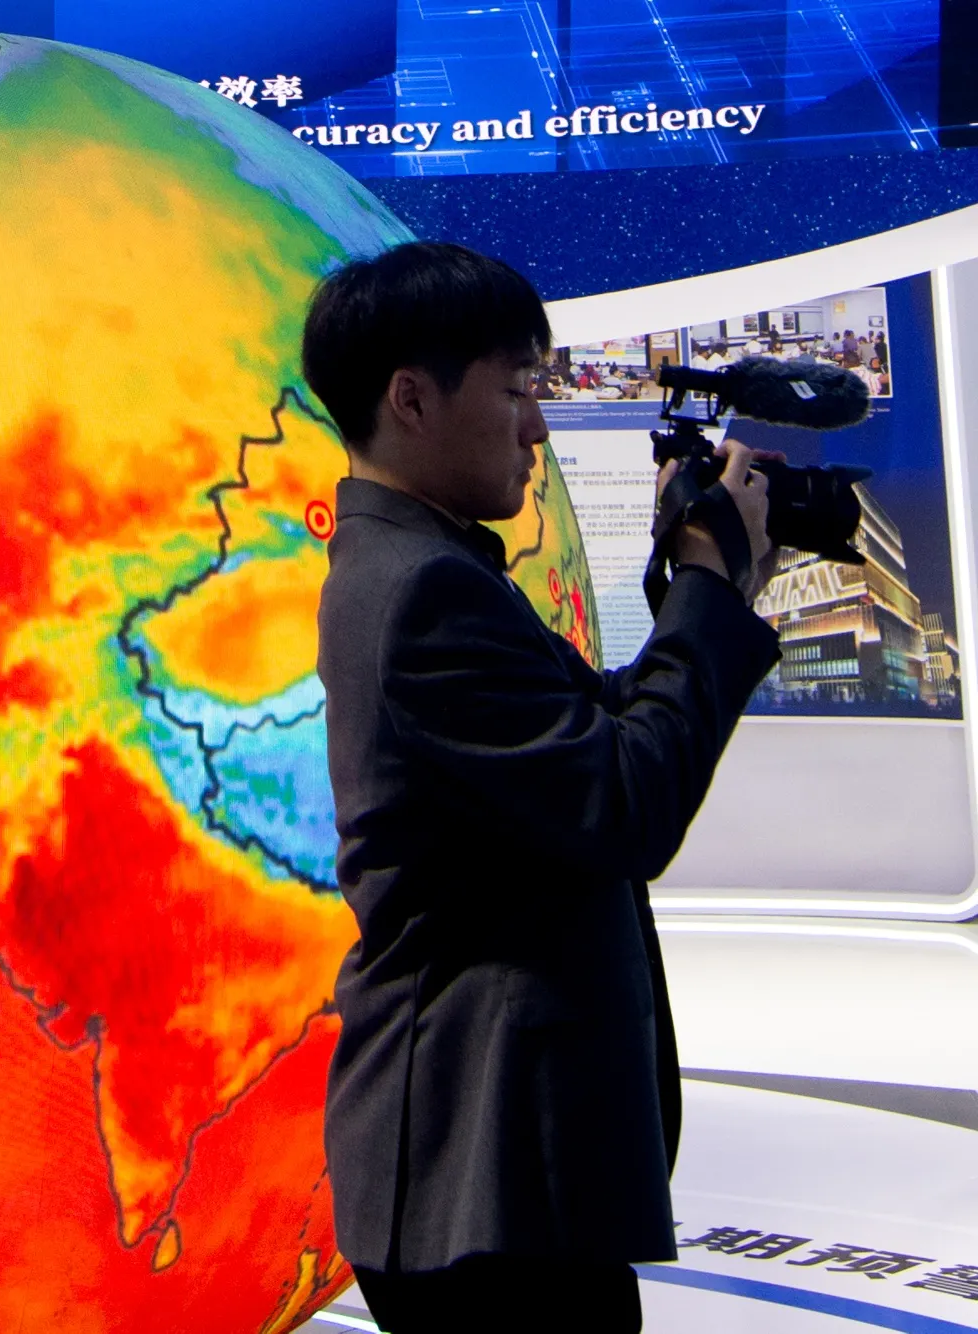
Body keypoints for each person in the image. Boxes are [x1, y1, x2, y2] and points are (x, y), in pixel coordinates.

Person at [302, 243, 782, 1332]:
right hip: (485, 1168)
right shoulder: (425, 588)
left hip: (485, 1164)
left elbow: (577, 741)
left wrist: (689, 586)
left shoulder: (418, 564)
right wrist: (708, 583)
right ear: (409, 398)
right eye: (517, 388)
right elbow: (622, 802)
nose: (537, 426)